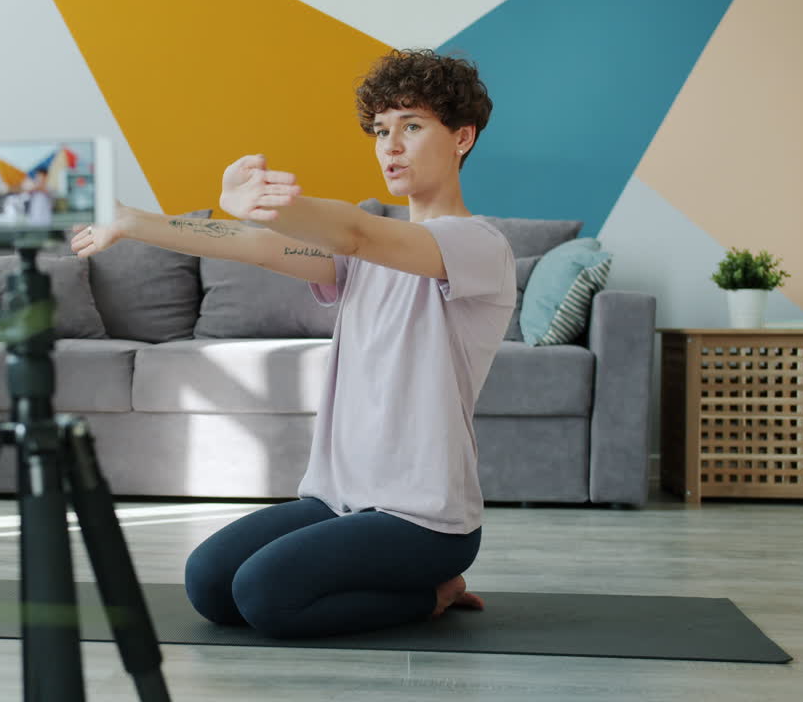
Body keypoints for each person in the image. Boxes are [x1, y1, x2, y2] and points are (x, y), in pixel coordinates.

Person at [70, 49, 514, 639]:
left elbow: (356, 232)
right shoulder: (362, 259)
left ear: (462, 137)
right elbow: (254, 245)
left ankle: (433, 592)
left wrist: (275, 205)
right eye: (381, 130)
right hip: (338, 499)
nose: (390, 146)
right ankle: (404, 584)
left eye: (411, 126)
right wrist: (133, 221)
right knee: (208, 583)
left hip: (425, 519)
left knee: (266, 595)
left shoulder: (476, 246)